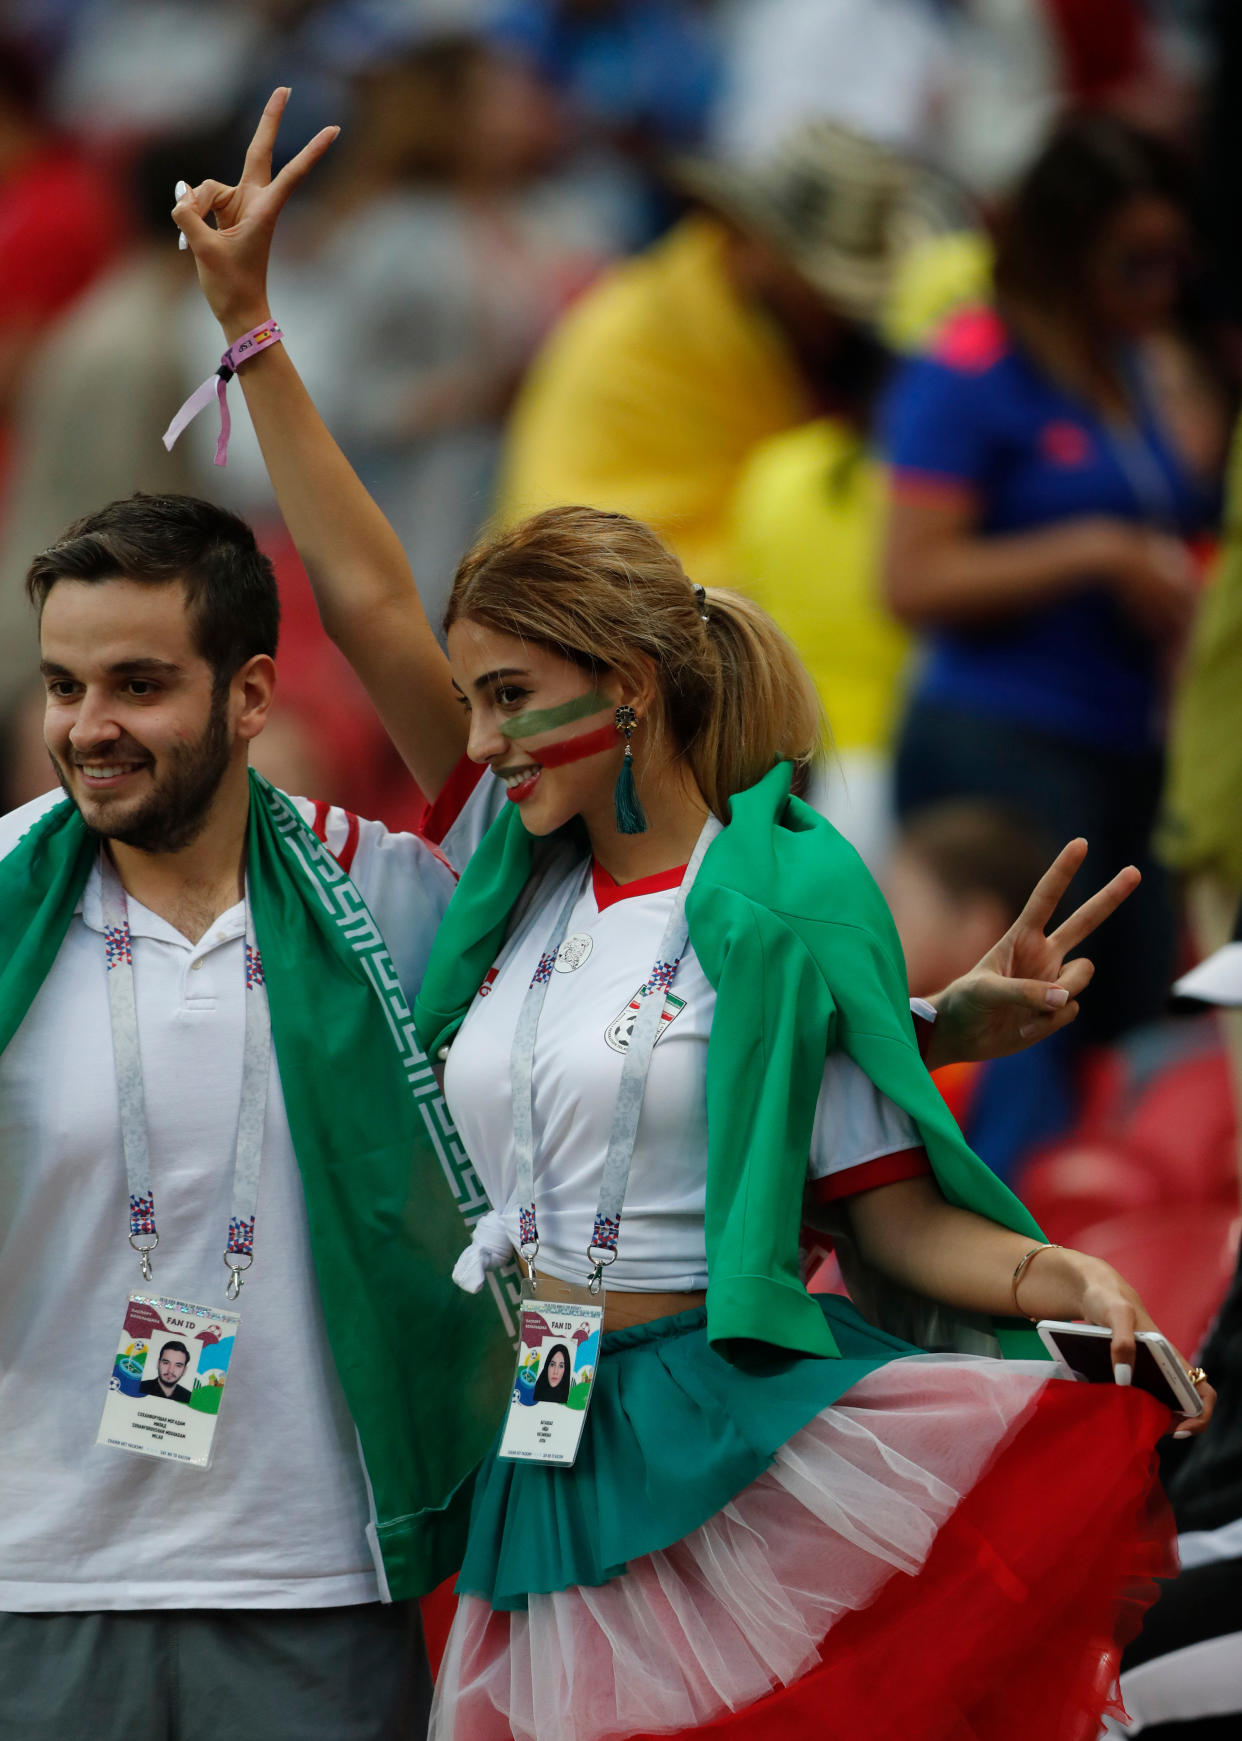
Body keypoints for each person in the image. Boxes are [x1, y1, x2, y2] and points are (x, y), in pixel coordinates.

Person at [171, 92, 1216, 1741]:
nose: (483, 739)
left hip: (715, 1447)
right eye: (476, 702)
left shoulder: (786, 889)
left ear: (631, 687)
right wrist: (250, 331)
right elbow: (366, 595)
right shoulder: (513, 870)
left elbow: (879, 1210)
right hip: (530, 1446)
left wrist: (1060, 1275)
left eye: (516, 699)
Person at [0, 492, 513, 1741]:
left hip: (315, 1578)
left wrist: (915, 1023)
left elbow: (613, 1000)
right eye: (65, 688)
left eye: (138, 684)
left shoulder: (383, 896)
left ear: (251, 694)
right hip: (35, 1577)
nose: (91, 727)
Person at [881, 114, 1224, 1052]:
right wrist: (1099, 553)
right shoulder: (969, 367)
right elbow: (909, 576)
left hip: (1126, 746)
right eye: (1133, 262)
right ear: (1063, 257)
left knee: (1126, 1030)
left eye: (1172, 260)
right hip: (1001, 747)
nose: (1162, 287)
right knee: (1023, 1043)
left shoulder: (1129, 364)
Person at [494, 117, 962, 591]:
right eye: (823, 286)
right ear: (752, 240)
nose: (840, 312)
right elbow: (577, 560)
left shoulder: (773, 336)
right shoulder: (639, 344)